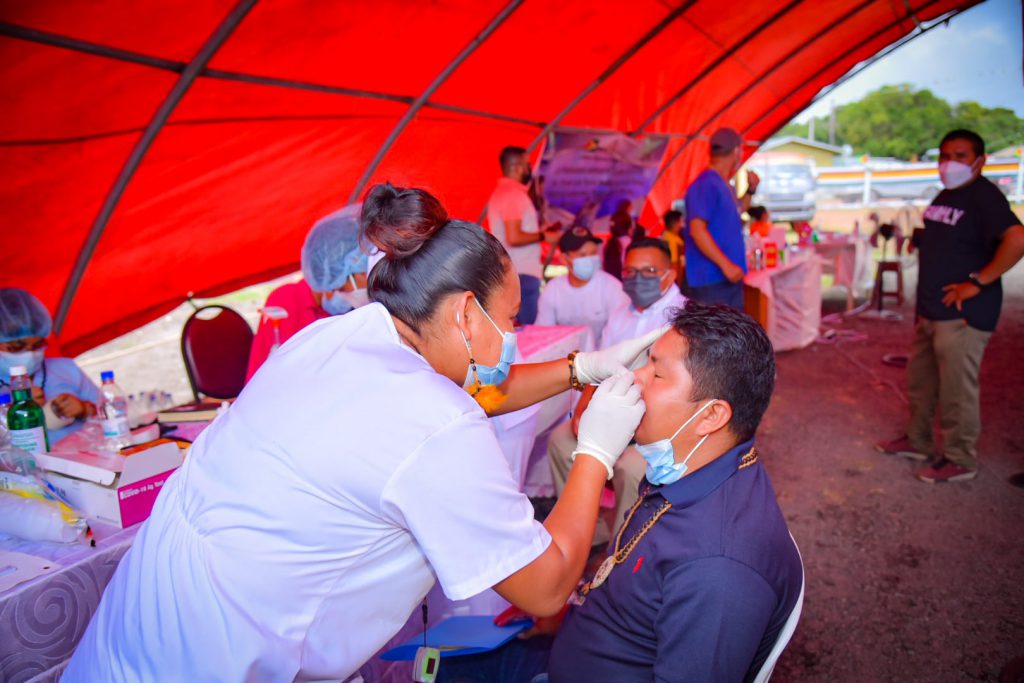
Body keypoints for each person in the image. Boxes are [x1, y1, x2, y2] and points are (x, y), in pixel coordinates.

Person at [64, 184, 668, 682]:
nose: (513, 334)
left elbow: (475, 389)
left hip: (148, 623)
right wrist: (595, 450)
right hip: (222, 659)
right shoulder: (433, 421)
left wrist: (578, 369)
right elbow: (546, 586)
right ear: (463, 312)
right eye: (510, 318)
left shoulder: (337, 338)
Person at [438, 302, 803, 683]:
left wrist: (594, 455)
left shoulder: (718, 569)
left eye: (657, 373)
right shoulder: (690, 469)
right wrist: (565, 611)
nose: (633, 379)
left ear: (711, 416)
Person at [877, 129, 1024, 483]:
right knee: (921, 382)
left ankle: (960, 457)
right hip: (932, 311)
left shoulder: (983, 196)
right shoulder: (947, 194)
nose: (949, 163)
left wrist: (978, 282)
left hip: (963, 315)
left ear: (979, 160)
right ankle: (918, 440)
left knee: (956, 389)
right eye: (944, 155)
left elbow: (1017, 239)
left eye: (959, 155)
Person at [549, 238, 686, 540]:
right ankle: (587, 535)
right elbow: (599, 366)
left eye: (649, 270)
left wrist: (627, 430)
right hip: (618, 411)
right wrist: (583, 410)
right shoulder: (622, 312)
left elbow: (677, 396)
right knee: (560, 441)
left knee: (630, 466)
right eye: (630, 270)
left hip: (656, 424)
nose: (638, 278)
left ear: (670, 274)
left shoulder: (682, 320)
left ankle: (623, 547)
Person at [245, 208, 369, 380]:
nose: (368, 283)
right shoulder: (284, 304)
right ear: (332, 281)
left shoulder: (362, 312)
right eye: (363, 273)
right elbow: (260, 380)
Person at [0, 288, 99, 444]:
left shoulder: (66, 369)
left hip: (89, 461)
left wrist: (84, 409)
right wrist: (19, 412)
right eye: (16, 347)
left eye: (38, 345)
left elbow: (115, 415)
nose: (29, 354)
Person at [683, 127, 760, 308]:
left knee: (730, 333)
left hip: (724, 278)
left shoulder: (723, 184)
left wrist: (750, 189)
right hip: (711, 279)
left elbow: (738, 208)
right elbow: (697, 230)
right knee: (715, 335)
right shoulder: (706, 184)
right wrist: (726, 266)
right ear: (736, 152)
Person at [487, 145, 558, 324]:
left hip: (516, 272)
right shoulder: (512, 195)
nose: (530, 170)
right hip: (522, 274)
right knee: (528, 332)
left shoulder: (507, 193)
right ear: (516, 167)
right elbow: (514, 237)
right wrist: (543, 236)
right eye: (527, 165)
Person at [535, 226, 630, 346]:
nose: (590, 259)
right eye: (583, 255)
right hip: (563, 360)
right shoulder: (553, 290)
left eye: (593, 253)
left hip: (604, 358)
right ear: (564, 259)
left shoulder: (613, 288)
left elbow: (622, 335)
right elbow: (544, 334)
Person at [662, 208, 686, 288]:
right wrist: (678, 285)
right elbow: (674, 263)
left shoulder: (670, 236)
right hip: (677, 280)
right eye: (681, 221)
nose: (682, 224)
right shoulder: (671, 240)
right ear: (675, 223)